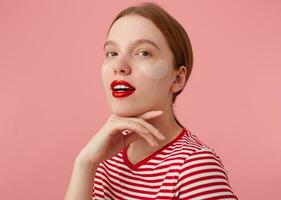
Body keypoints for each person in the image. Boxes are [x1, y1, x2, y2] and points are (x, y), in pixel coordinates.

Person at [64, 2, 238, 200]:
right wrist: (85, 163)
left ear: (177, 79)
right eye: (112, 53)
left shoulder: (194, 166)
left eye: (143, 53)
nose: (119, 66)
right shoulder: (103, 159)